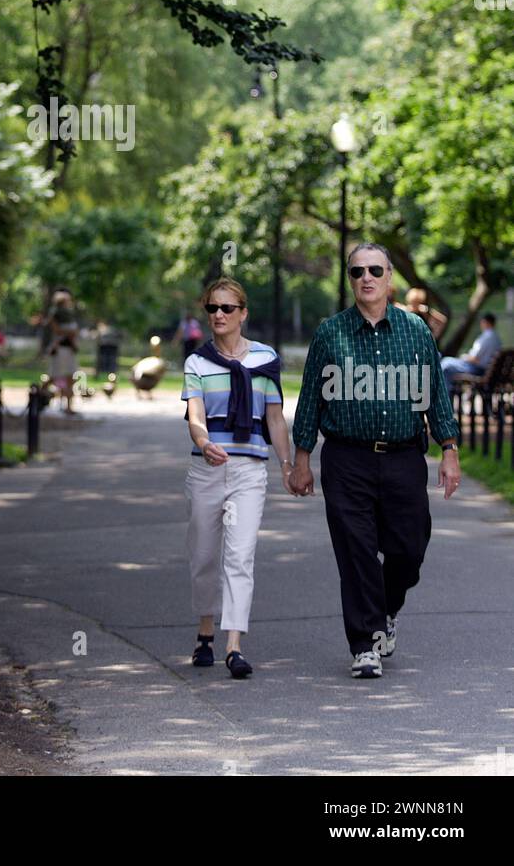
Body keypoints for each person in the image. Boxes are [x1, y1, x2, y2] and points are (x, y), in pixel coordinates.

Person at [290, 242, 461, 679]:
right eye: (357, 271)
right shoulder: (331, 333)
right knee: (357, 551)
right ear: (349, 279)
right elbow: (310, 397)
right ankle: (364, 643)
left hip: (404, 457)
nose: (366, 277)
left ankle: (386, 609)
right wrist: (302, 457)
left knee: (408, 548)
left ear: (390, 280)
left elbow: (435, 394)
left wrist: (449, 449)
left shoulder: (415, 331)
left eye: (374, 270)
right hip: (347, 459)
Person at [182, 276, 294, 679]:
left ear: (243, 313)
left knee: (240, 555)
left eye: (227, 308)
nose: (219, 315)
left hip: (249, 470)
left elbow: (275, 418)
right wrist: (203, 439)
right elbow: (195, 414)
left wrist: (288, 464)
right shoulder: (197, 362)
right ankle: (205, 632)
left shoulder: (264, 359)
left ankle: (234, 645)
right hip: (206, 469)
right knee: (204, 556)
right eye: (212, 308)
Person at [441, 313, 502, 391]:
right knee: (447, 364)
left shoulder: (486, 337)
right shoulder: (497, 338)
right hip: (488, 370)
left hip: (477, 369)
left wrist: (464, 357)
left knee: (446, 363)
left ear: (485, 322)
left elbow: (474, 358)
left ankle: (445, 396)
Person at [44, 289, 79, 414]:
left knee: (70, 378)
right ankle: (39, 397)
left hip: (69, 349)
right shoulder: (55, 315)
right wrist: (69, 333)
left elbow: (74, 332)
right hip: (60, 349)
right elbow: (57, 330)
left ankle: (69, 406)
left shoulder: (70, 317)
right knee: (54, 376)